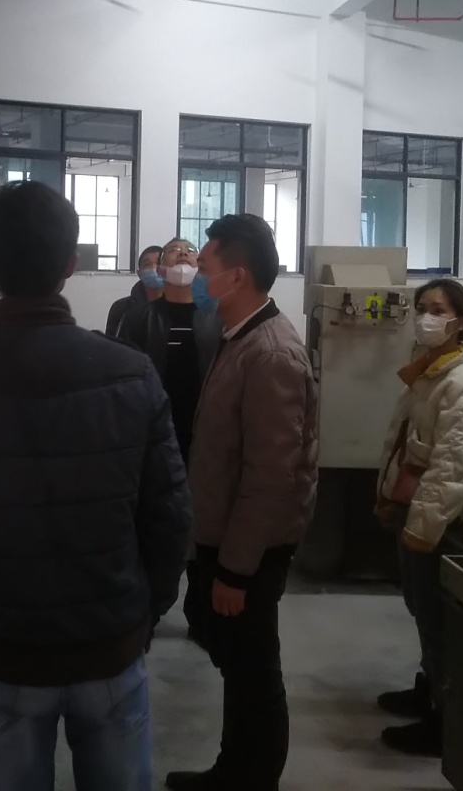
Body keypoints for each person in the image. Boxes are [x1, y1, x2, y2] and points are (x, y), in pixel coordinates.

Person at [0, 181, 192, 791]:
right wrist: (144, 612)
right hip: (110, 641)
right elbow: (169, 515)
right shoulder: (128, 372)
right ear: (69, 264)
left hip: (2, 644)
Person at [166, 213, 318, 791]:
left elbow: (271, 476)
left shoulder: (271, 353)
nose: (196, 277)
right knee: (237, 665)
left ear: (237, 276)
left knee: (254, 671)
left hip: (248, 551)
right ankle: (233, 770)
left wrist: (235, 569)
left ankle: (253, 779)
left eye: (204, 267)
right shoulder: (240, 338)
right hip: (224, 538)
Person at [373, 279, 463, 757]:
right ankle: (429, 688)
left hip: (441, 519)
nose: (427, 317)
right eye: (422, 307)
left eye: (439, 310)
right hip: (418, 507)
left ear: (460, 322)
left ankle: (446, 724)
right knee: (423, 610)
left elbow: (451, 469)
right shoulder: (432, 371)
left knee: (440, 619)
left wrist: (421, 531)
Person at [120, 237, 221, 648]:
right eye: (173, 251)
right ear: (160, 268)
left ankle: (201, 616)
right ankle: (145, 612)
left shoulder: (215, 318)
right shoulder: (141, 317)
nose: (182, 254)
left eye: (190, 250)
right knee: (152, 525)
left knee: (203, 527)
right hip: (155, 438)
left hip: (203, 437)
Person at [105, 244, 164, 337]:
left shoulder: (179, 307)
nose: (154, 268)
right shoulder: (121, 307)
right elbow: (112, 343)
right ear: (139, 273)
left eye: (159, 263)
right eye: (147, 264)